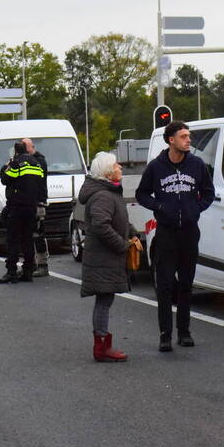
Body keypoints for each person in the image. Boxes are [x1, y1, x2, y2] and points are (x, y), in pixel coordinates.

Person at [135, 120, 214, 352]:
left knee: (186, 285)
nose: (188, 140)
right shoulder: (156, 167)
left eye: (188, 136)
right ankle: (165, 334)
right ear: (171, 140)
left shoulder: (197, 165)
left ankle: (185, 331)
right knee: (166, 285)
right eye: (183, 136)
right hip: (166, 234)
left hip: (189, 233)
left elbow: (208, 193)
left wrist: (195, 208)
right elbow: (141, 194)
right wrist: (159, 206)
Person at [80, 152, 140, 362]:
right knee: (104, 300)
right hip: (103, 259)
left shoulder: (109, 192)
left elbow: (116, 220)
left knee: (105, 299)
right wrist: (122, 245)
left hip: (104, 258)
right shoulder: (104, 196)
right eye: (116, 166)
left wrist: (132, 232)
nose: (120, 168)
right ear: (107, 173)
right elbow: (101, 225)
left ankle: (103, 344)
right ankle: (102, 346)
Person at [0, 139, 46, 284]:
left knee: (13, 240)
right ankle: (28, 271)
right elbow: (40, 180)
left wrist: (6, 166)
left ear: (16, 151)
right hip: (31, 206)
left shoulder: (16, 163)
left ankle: (11, 272)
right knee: (27, 240)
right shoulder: (36, 163)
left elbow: (5, 179)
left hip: (16, 206)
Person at [23, 137, 51, 277]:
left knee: (38, 234)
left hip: (38, 202)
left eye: (25, 147)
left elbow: (34, 178)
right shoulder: (29, 161)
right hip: (27, 202)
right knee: (28, 235)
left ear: (30, 147)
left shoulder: (39, 161)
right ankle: (32, 264)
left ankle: (42, 265)